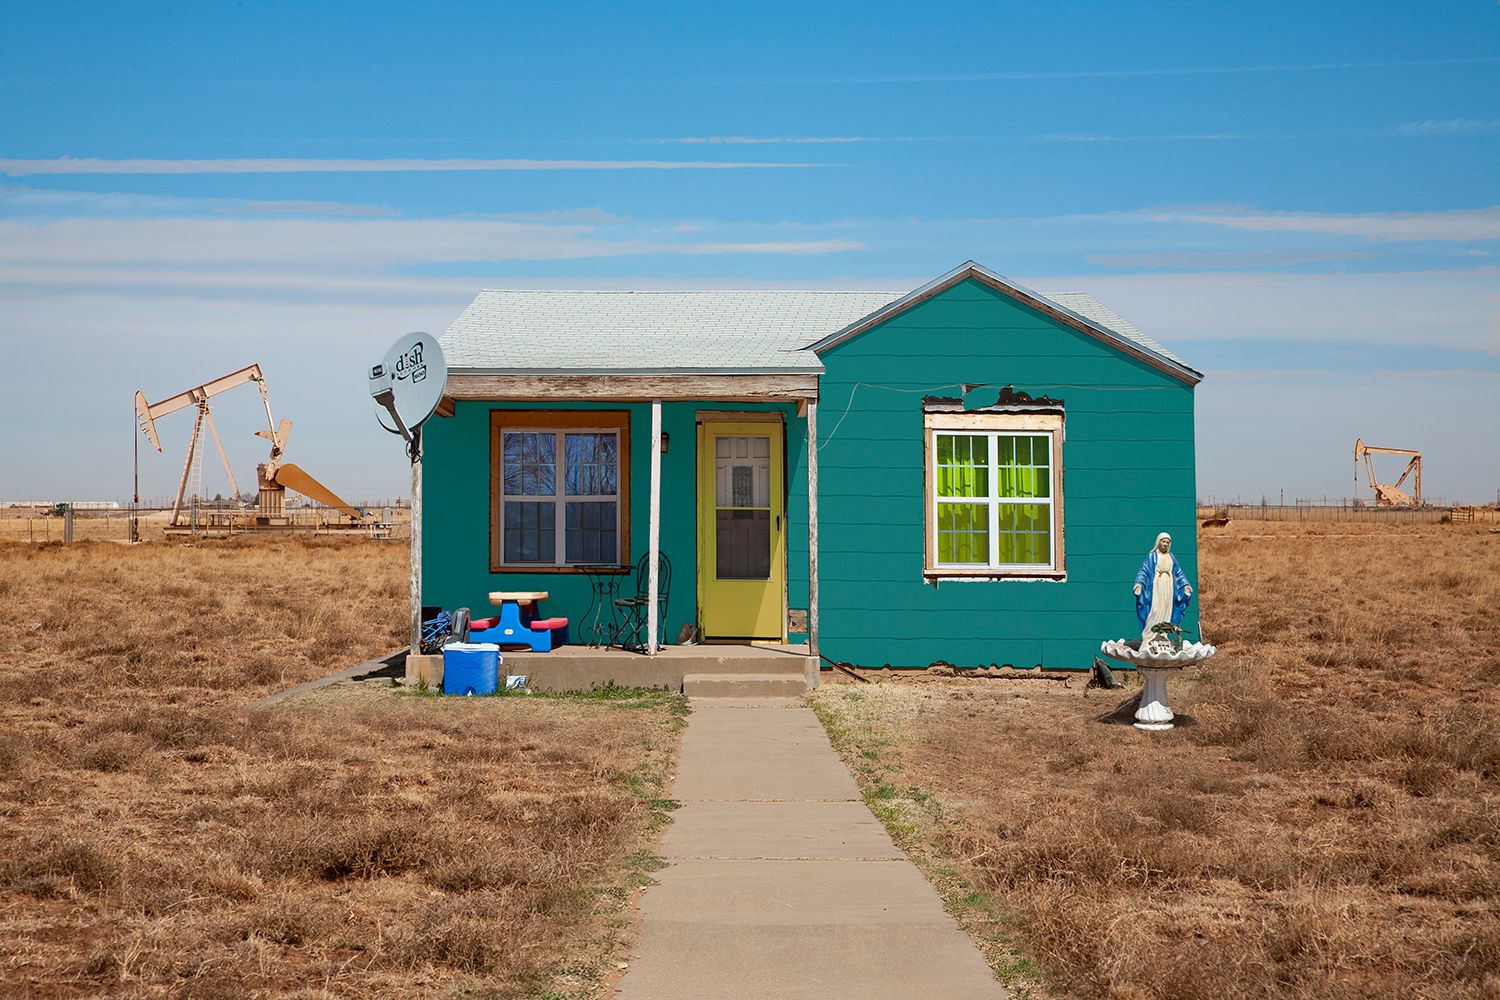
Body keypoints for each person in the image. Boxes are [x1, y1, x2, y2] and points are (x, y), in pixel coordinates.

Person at [1134, 532, 1192, 641]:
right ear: (1158, 542)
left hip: (1169, 587)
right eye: (1163, 541)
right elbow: (1144, 571)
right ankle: (1149, 635)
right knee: (1155, 609)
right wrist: (1139, 584)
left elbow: (1179, 573)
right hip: (1156, 587)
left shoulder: (1171, 557)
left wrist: (1185, 585)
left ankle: (1163, 635)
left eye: (1167, 542)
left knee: (1166, 610)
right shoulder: (1152, 556)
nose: (1165, 544)